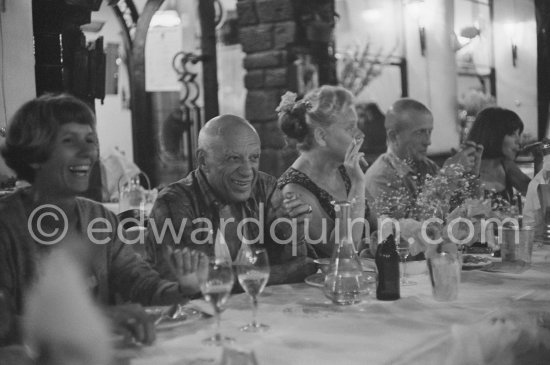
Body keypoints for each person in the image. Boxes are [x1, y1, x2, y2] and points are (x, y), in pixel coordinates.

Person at [0, 94, 206, 346]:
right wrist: (89, 320)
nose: (88, 152)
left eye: (90, 140)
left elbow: (141, 283)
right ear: (34, 155)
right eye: (69, 141)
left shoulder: (100, 219)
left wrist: (185, 287)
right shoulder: (6, 224)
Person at [145, 114, 317, 285]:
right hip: (201, 311)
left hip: (260, 308)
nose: (247, 171)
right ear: (203, 161)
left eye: (253, 158)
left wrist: (295, 233)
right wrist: (280, 274)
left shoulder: (264, 187)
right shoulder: (172, 203)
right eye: (234, 158)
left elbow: (299, 267)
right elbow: (197, 282)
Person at [275, 86, 372, 258]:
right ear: (321, 136)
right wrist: (358, 184)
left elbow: (381, 228)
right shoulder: (294, 190)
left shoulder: (346, 169)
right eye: (350, 128)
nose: (360, 135)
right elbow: (342, 252)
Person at [365, 98, 482, 219]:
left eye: (429, 132)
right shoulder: (380, 177)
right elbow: (409, 229)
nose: (428, 141)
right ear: (394, 136)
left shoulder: (427, 166)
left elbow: (462, 216)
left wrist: (471, 178)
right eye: (420, 132)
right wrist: (448, 175)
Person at [466, 106, 530, 201]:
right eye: (512, 134)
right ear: (494, 135)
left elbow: (536, 196)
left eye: (519, 134)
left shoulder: (506, 165)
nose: (519, 141)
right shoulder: (466, 166)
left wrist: (541, 162)